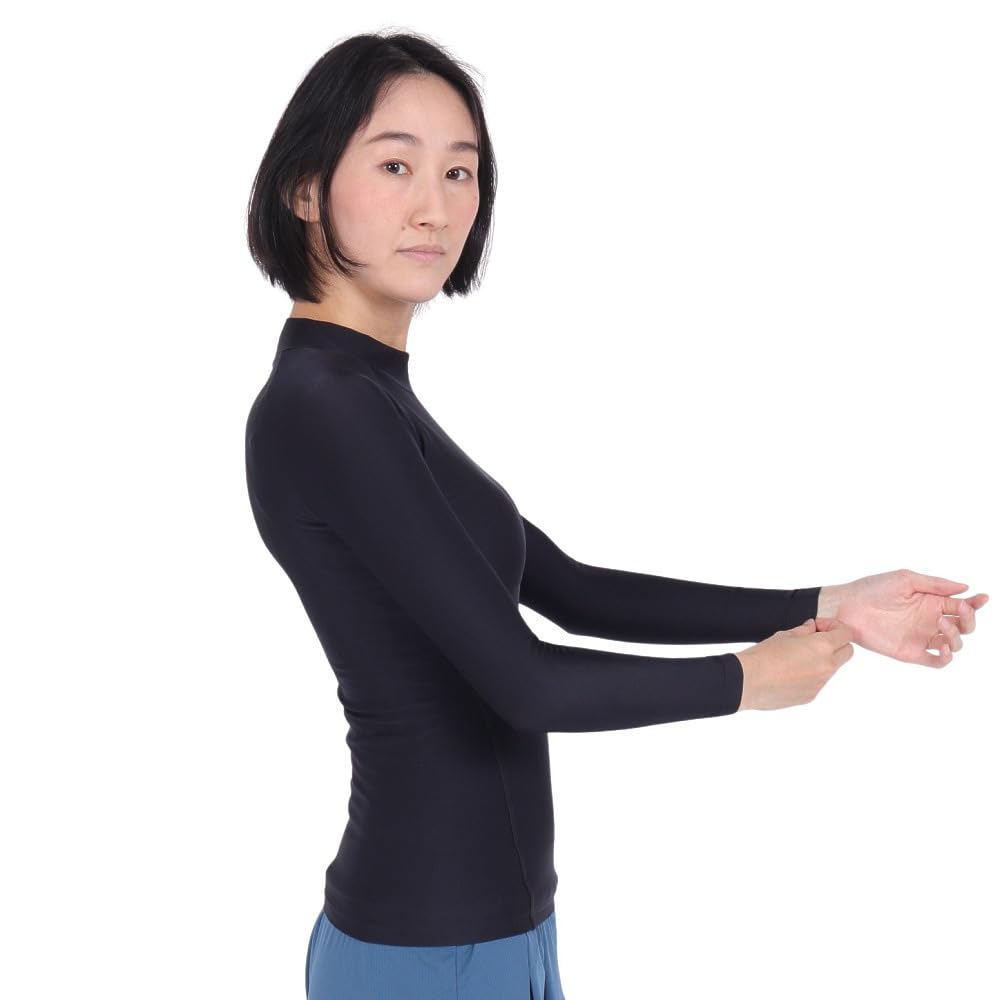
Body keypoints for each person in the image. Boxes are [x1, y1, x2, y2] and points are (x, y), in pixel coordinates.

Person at [243, 30, 989, 1000]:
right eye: (396, 166)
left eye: (460, 171)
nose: (437, 206)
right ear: (305, 189)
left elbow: (573, 590)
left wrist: (831, 602)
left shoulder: (371, 396)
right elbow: (524, 683)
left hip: (497, 937)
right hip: (424, 951)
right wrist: (745, 680)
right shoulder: (324, 407)